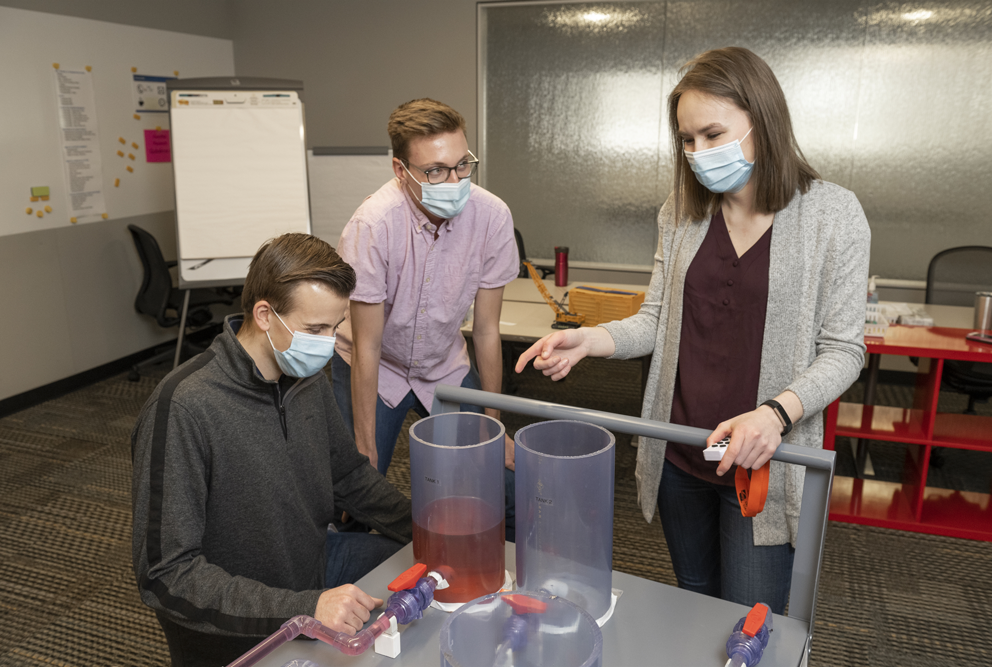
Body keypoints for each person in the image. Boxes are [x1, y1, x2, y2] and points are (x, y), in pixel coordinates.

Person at [516, 47, 870, 613]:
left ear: (762, 120)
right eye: (687, 139)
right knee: (697, 604)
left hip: (761, 460)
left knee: (749, 618)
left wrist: (775, 413)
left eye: (712, 134)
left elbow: (844, 350)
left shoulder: (833, 215)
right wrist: (592, 340)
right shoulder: (681, 210)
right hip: (682, 449)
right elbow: (658, 318)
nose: (698, 153)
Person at [131, 234, 412, 667]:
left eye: (335, 327)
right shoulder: (184, 408)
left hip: (312, 567)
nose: (327, 342)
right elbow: (166, 575)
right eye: (316, 329)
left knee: (416, 568)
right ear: (265, 314)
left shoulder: (305, 374)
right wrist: (302, 609)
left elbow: (348, 475)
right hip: (241, 622)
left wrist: (427, 529)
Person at [331, 98, 519, 537]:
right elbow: (367, 346)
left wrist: (495, 424)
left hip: (443, 366)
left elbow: (488, 332)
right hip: (376, 365)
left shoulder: (492, 216)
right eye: (435, 170)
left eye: (462, 165)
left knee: (502, 481)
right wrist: (364, 447)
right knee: (356, 494)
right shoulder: (373, 225)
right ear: (401, 170)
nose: (453, 181)